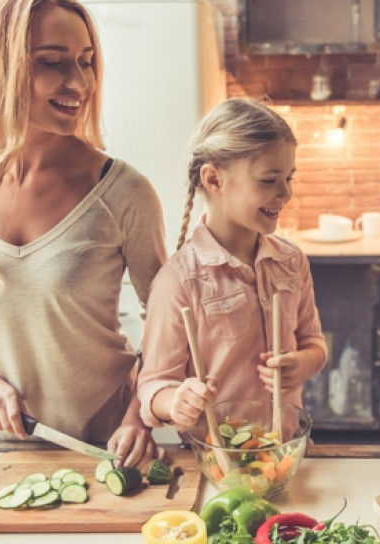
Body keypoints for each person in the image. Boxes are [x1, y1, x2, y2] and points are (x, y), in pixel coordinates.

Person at [0, 0, 166, 467]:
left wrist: (139, 415)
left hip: (109, 438)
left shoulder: (124, 191)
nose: (81, 83)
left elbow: (167, 319)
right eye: (52, 63)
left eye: (87, 62)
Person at [136, 98, 328, 437]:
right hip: (216, 462)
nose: (286, 193)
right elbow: (153, 386)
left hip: (284, 450)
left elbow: (313, 342)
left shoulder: (291, 261)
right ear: (213, 180)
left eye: (288, 177)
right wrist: (176, 400)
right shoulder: (178, 282)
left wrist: (303, 364)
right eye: (269, 180)